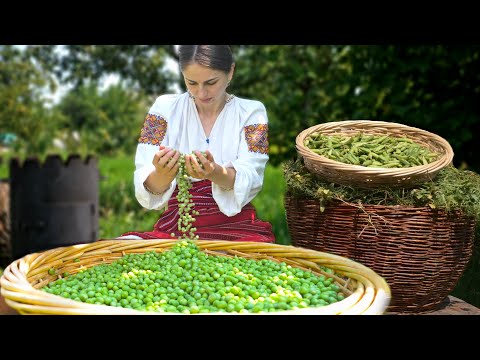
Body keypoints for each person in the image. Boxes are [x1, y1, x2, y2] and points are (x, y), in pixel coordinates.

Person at [120, 45, 275, 243]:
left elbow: (252, 177)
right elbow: (146, 184)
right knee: (125, 247)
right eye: (191, 83)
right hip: (178, 224)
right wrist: (163, 173)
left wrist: (214, 173)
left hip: (235, 226)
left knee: (250, 258)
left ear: (231, 72)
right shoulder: (162, 110)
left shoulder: (252, 113)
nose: (201, 93)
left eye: (211, 82)